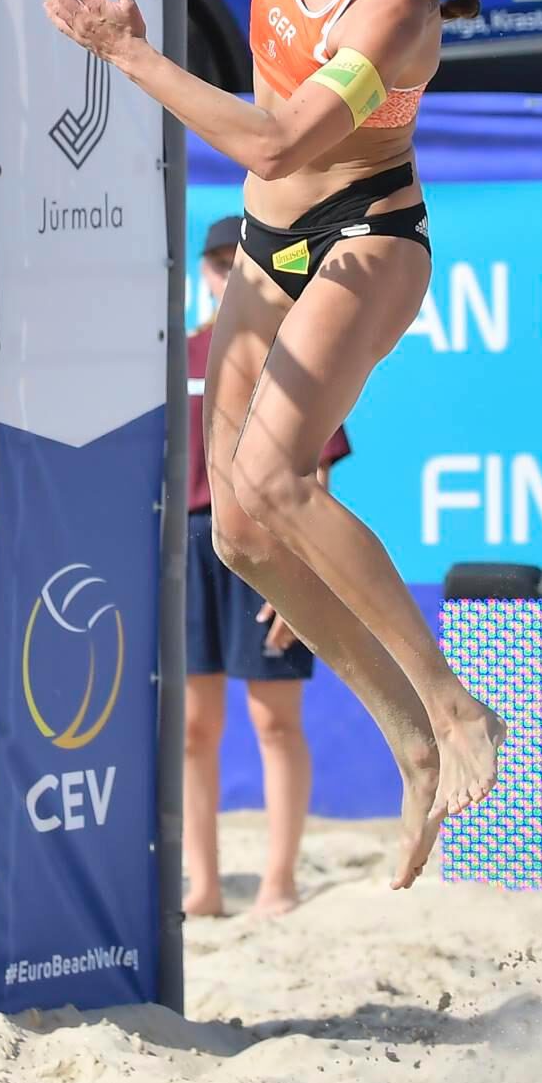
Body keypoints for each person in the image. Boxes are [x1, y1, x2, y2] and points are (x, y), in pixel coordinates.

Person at [37, 0, 510, 885]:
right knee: (239, 531)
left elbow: (277, 133)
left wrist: (126, 55)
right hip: (274, 234)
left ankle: (455, 702)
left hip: (366, 234)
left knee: (276, 478)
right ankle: (410, 742)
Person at [183, 213, 345, 919]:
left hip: (270, 544)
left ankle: (280, 881)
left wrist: (302, 574)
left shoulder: (293, 357)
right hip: (189, 544)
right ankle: (204, 886)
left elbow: (318, 479)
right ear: (204, 273)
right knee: (191, 728)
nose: (229, 275)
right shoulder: (177, 357)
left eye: (240, 263)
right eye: (220, 264)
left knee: (274, 721)